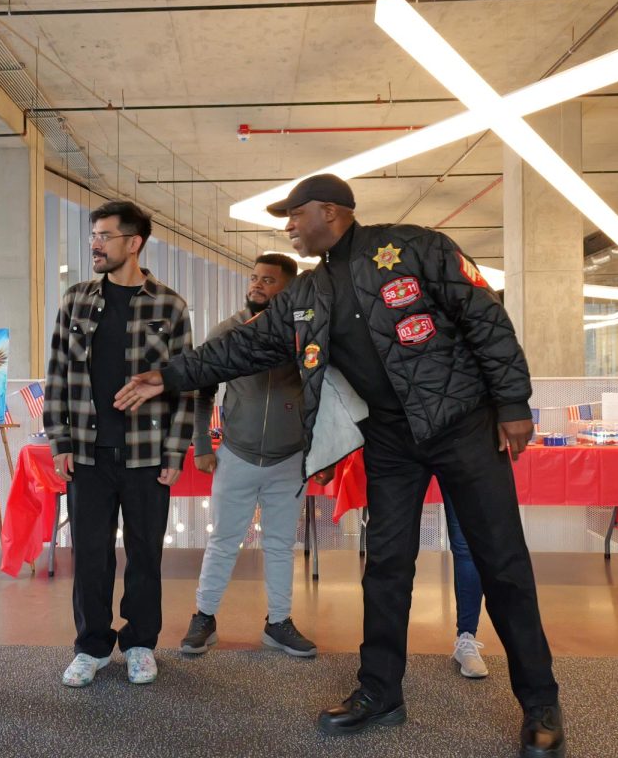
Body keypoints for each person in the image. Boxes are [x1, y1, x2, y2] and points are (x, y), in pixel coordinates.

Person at [115, 174, 565, 758]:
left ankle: (540, 703)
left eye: (295, 216)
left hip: (465, 427)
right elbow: (242, 347)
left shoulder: (413, 248)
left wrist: (511, 404)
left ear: (329, 211)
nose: (288, 227)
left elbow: (484, 318)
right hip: (389, 440)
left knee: (501, 562)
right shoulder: (305, 293)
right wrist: (169, 375)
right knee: (384, 568)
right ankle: (380, 692)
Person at [43, 200, 196, 688]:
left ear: (134, 242)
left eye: (105, 236)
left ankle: (140, 644)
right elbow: (58, 373)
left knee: (145, 554)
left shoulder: (169, 306)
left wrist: (176, 451)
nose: (95, 244)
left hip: (146, 455)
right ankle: (91, 646)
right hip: (87, 453)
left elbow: (186, 383)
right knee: (89, 555)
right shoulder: (76, 300)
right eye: (93, 235)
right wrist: (59, 439)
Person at [181, 253, 317, 659]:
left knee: (279, 545)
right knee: (223, 541)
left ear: (288, 288)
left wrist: (318, 451)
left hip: (289, 458)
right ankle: (204, 618)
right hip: (236, 456)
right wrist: (202, 445)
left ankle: (279, 622)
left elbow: (321, 390)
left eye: (268, 280)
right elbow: (202, 390)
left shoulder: (305, 332)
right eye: (254, 278)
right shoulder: (228, 331)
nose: (257, 285)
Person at [444, 498, 488, 679]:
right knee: (396, 546)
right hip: (402, 469)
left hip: (459, 468)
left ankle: (467, 636)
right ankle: (387, 651)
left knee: (467, 545)